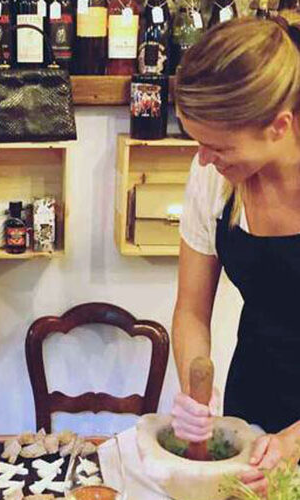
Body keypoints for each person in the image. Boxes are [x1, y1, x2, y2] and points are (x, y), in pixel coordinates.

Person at [171, 16, 300, 495]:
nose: (203, 158)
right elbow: (189, 309)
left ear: (278, 126)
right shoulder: (213, 177)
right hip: (255, 396)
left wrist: (296, 441)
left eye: (218, 146)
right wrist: (193, 394)